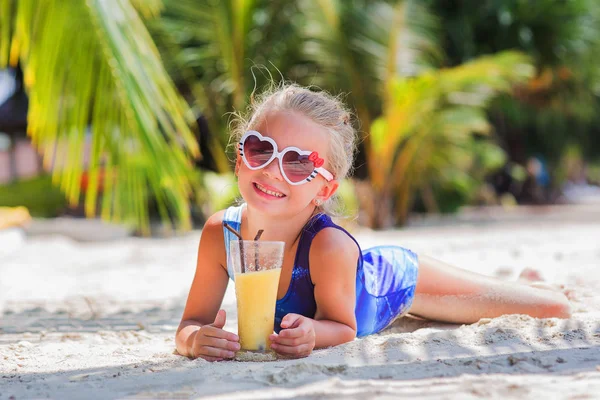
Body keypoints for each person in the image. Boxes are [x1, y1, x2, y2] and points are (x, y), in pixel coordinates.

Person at [175, 84, 571, 361]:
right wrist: (195, 341)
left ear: (324, 192)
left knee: (552, 308)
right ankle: (521, 284)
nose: (274, 171)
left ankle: (530, 284)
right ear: (240, 155)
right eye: (261, 149)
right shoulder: (221, 235)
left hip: (391, 286)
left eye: (298, 163)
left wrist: (314, 334)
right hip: (356, 280)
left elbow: (343, 326)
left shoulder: (328, 246)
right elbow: (190, 324)